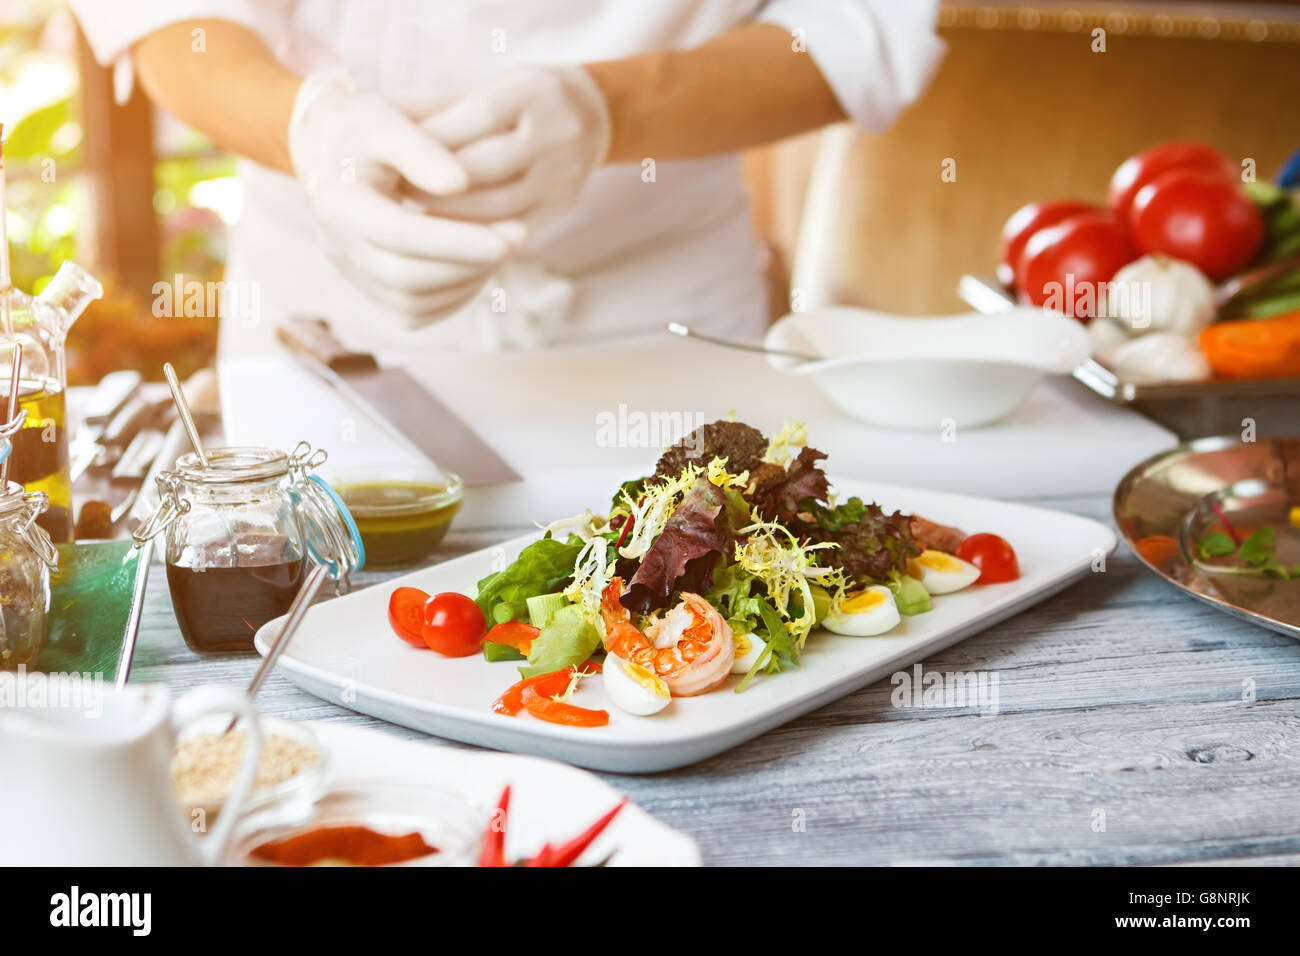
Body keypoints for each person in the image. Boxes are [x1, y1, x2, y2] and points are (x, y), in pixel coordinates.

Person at [71, 2, 944, 360]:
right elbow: (169, 20)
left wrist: (614, 110)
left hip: (663, 329)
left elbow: (853, 26)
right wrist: (308, 128)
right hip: (330, 332)